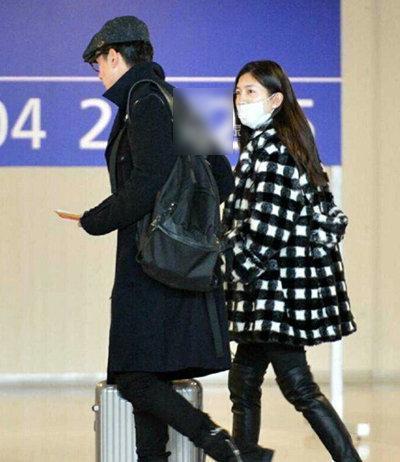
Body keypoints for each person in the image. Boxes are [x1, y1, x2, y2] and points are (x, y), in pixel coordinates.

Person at [79, 16, 274, 462]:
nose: (99, 73)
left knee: (134, 377)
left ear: (115, 56)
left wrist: (97, 219)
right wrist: (187, 226)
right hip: (174, 262)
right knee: (148, 376)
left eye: (99, 63)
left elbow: (147, 181)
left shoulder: (144, 101)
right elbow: (222, 179)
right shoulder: (171, 100)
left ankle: (226, 447)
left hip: (150, 263)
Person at [222, 60, 362, 462]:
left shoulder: (273, 152)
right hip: (265, 290)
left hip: (275, 291)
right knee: (243, 383)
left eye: (251, 92)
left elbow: (266, 231)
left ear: (275, 100)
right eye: (238, 93)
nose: (241, 100)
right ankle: (246, 456)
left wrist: (223, 261)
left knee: (298, 386)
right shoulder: (267, 147)